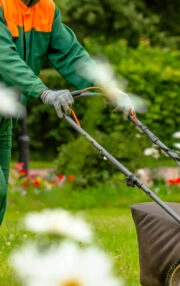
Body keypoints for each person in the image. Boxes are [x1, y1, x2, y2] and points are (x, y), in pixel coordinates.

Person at [0, 0, 133, 225]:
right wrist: (43, 92)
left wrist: (108, 89)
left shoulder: (47, 10)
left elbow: (72, 56)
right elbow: (5, 58)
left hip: (5, 117)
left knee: (1, 197)